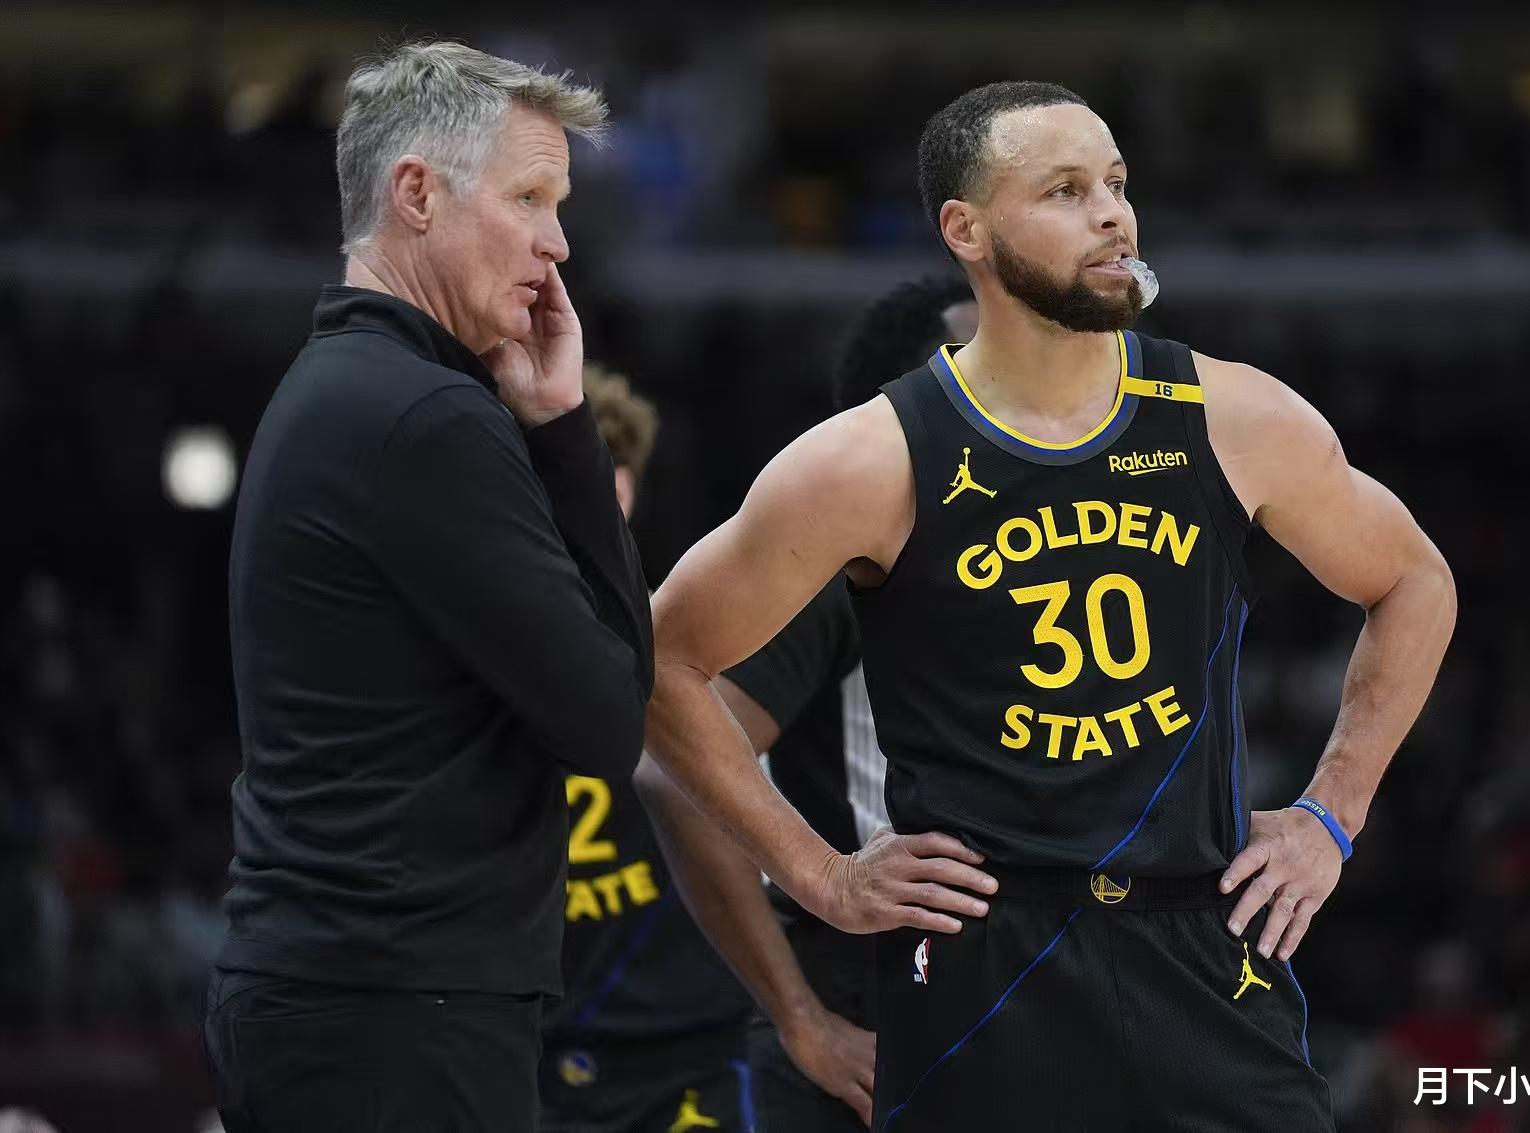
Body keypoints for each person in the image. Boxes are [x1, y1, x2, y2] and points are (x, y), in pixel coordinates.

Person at [642, 81, 1456, 1130]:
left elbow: (1413, 579)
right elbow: (661, 659)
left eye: (1115, 183)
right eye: (1065, 191)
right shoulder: (868, 459)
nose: (1111, 213)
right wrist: (818, 874)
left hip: (1201, 941)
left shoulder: (1228, 413)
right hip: (986, 960)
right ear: (965, 231)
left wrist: (1329, 813)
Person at [204, 42, 652, 1133]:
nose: (556, 243)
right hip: (396, 1011)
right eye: (529, 198)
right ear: (416, 194)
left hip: (343, 995)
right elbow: (606, 714)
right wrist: (563, 432)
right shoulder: (426, 418)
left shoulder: (343, 387)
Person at [636, 276, 976, 1131]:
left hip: (1020, 966)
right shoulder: (845, 559)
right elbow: (671, 770)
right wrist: (800, 1012)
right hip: (871, 980)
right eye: (982, 363)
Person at [541, 366, 755, 1133]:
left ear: (621, 490)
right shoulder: (455, 651)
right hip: (521, 1044)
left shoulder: (691, 648)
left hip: (686, 1045)